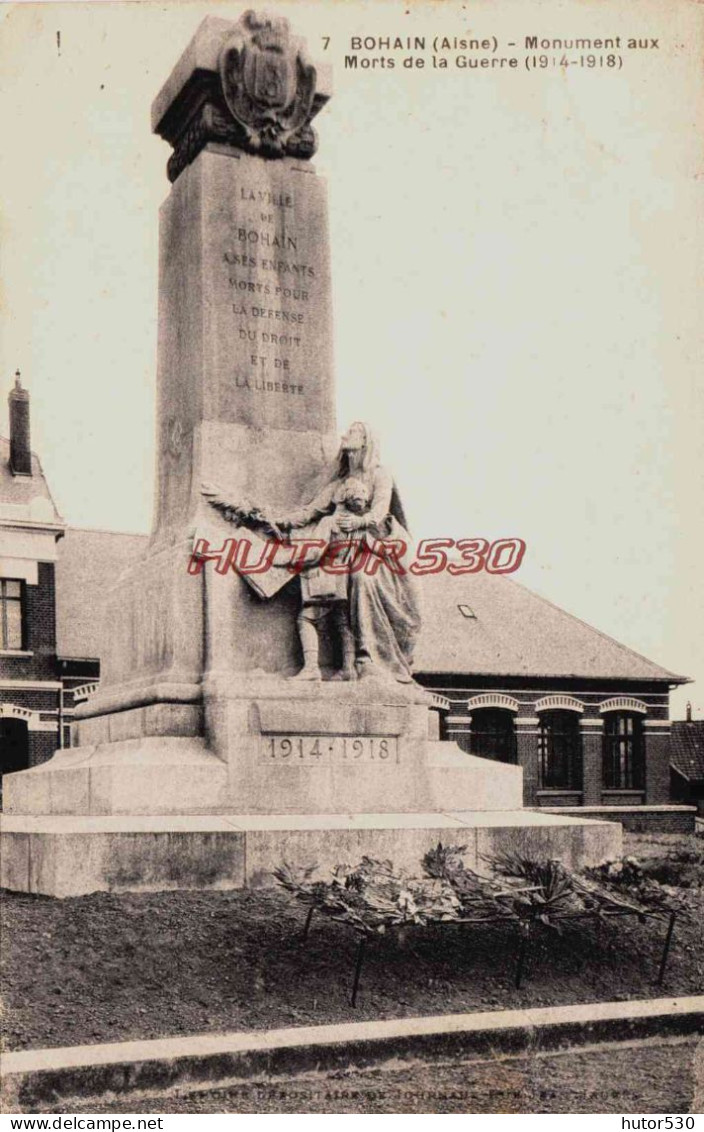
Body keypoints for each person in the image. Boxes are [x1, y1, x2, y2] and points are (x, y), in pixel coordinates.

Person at [274, 422, 421, 683]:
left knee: (362, 577)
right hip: (344, 549)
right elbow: (310, 512)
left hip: (376, 545)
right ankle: (351, 663)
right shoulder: (339, 485)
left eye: (353, 431)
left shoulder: (379, 475)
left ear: (365, 441)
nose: (346, 434)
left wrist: (357, 522)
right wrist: (278, 520)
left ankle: (368, 657)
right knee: (341, 597)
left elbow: (378, 512)